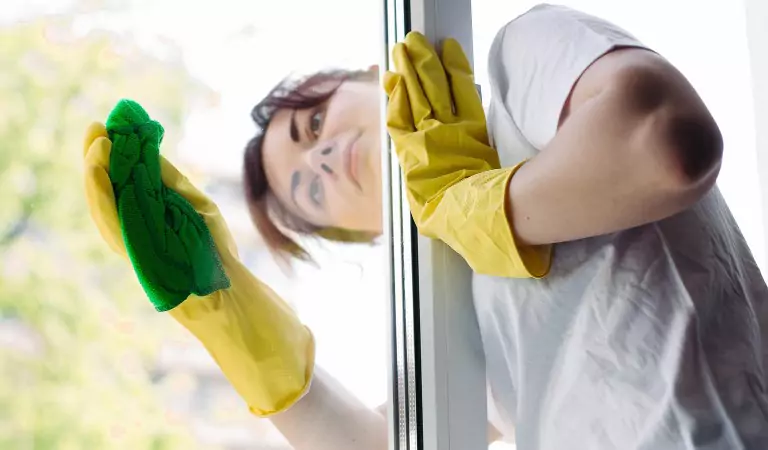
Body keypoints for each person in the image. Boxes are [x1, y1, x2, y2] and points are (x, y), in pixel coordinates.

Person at [242, 3, 768, 449]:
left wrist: (483, 209)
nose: (322, 160)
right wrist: (232, 324)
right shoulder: (441, 316)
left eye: (311, 125)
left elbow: (666, 143)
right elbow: (386, 441)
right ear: (366, 236)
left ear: (365, 74)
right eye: (310, 191)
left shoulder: (522, 67)